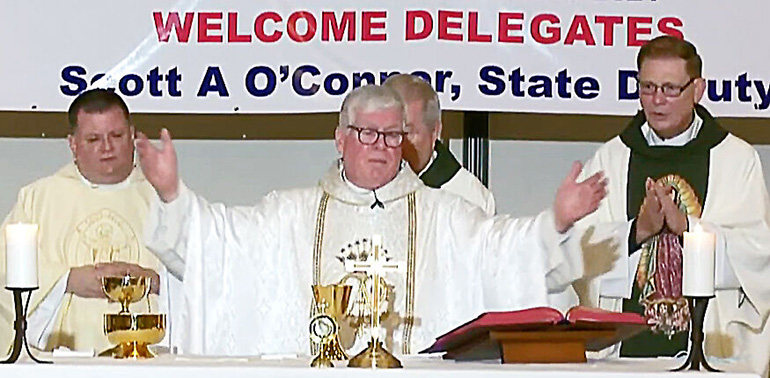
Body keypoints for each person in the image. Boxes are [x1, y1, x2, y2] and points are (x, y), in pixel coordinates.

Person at [137, 84, 606, 356]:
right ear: (340, 140)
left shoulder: (444, 216)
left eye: (392, 135)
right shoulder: (289, 214)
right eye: (367, 133)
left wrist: (556, 222)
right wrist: (171, 193)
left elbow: (503, 249)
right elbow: (214, 244)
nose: (381, 145)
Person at [568, 36, 770, 376]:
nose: (657, 100)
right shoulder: (611, 159)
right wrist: (638, 230)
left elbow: (759, 255)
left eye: (670, 88)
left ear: (698, 89)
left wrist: (688, 228)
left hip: (713, 351)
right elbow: (576, 253)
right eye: (647, 87)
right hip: (624, 358)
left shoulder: (736, 159)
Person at [0, 89, 180, 354]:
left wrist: (154, 282)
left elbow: (201, 277)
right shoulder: (39, 198)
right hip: (61, 360)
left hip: (147, 361)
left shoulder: (166, 198)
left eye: (116, 136)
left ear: (132, 135)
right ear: (73, 144)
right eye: (93, 139)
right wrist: (68, 280)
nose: (106, 148)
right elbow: (7, 269)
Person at [384, 74, 496, 215]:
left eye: (406, 133)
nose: (393, 143)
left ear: (435, 131)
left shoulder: (469, 198)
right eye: (387, 132)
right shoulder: (357, 180)